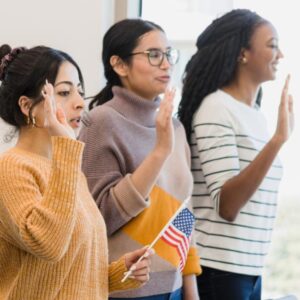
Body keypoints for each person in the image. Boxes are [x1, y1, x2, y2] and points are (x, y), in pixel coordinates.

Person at [0, 44, 154, 300]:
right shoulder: (11, 168)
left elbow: (67, 271)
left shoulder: (69, 171)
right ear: (27, 106)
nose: (81, 103)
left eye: (80, 92)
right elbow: (48, 244)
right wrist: (67, 149)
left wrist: (120, 272)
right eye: (64, 92)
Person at [78, 19, 201, 300]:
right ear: (119, 65)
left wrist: (190, 290)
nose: (166, 64)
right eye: (154, 55)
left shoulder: (175, 127)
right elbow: (99, 218)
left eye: (168, 54)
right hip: (124, 290)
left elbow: (184, 214)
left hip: (174, 287)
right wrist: (159, 153)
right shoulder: (101, 122)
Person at [177, 9, 294, 300]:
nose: (280, 55)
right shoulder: (216, 107)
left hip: (248, 268)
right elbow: (227, 205)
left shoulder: (253, 114)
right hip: (219, 269)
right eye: (272, 45)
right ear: (243, 53)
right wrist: (278, 140)